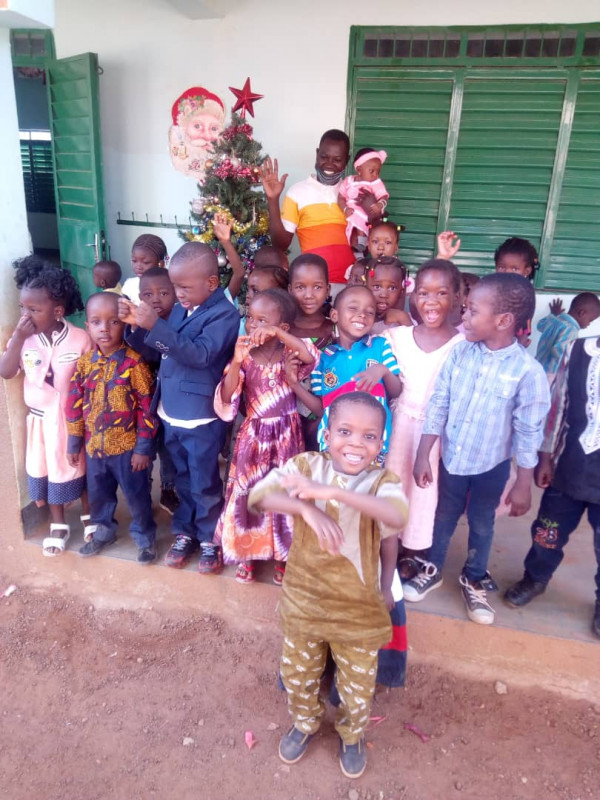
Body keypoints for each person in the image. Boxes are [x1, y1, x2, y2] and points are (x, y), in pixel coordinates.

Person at [248, 391, 408, 779]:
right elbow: (258, 496)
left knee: (358, 684)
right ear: (327, 431)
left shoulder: (381, 482)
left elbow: (396, 519)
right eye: (345, 431)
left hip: (358, 608)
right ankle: (304, 723)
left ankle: (352, 734)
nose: (356, 444)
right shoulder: (306, 466)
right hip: (305, 600)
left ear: (381, 443)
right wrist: (306, 507)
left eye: (370, 436)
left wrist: (386, 585)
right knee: (299, 676)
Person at [404, 273, 550, 625]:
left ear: (503, 321)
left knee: (483, 524)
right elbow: (439, 403)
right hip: (452, 460)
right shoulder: (459, 353)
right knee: (443, 515)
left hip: (491, 466)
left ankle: (474, 577)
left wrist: (523, 483)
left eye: (472, 311)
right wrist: (424, 452)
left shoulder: (527, 372)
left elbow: (528, 431)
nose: (463, 316)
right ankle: (432, 568)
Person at [130, 242, 240, 571]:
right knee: (181, 478)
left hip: (200, 415)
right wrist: (136, 326)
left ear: (211, 283)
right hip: (171, 410)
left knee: (204, 482)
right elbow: (161, 350)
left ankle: (209, 538)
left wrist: (156, 325)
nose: (178, 294)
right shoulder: (181, 308)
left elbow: (199, 354)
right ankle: (185, 531)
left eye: (184, 287)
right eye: (175, 286)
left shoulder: (224, 315)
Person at [213, 289, 319, 584]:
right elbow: (227, 396)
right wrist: (236, 362)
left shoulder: (289, 353)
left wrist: (280, 335)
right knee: (250, 494)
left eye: (263, 320)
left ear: (282, 327)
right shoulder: (245, 357)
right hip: (254, 438)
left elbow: (310, 355)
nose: (253, 325)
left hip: (287, 437)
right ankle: (246, 552)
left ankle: (283, 554)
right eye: (250, 317)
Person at [504, 335, 600, 638]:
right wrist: (545, 455)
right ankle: (535, 577)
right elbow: (558, 406)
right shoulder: (579, 350)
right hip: (569, 465)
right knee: (548, 531)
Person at [0, 256, 91, 557]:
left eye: (34, 310)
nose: (25, 316)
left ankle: (89, 516)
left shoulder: (79, 339)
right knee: (49, 469)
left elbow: (90, 379)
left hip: (72, 421)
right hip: (40, 423)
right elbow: (6, 371)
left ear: (58, 311)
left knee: (80, 466)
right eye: (22, 308)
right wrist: (17, 338)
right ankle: (58, 523)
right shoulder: (24, 340)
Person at [386, 259, 464, 580]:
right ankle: (387, 545)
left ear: (457, 297)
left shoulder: (463, 346)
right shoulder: (397, 337)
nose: (430, 301)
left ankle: (413, 550)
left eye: (441, 293)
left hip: (434, 434)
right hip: (398, 425)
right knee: (392, 483)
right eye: (423, 293)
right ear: (413, 296)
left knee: (424, 493)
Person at [66, 293, 157, 564]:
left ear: (124, 324)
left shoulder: (134, 363)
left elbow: (147, 408)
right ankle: (104, 533)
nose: (104, 329)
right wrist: (74, 441)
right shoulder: (84, 364)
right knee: (99, 496)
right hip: (95, 448)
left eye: (114, 322)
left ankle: (145, 539)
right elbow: (74, 404)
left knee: (137, 496)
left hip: (128, 449)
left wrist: (143, 448)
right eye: (96, 322)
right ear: (87, 326)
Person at [308, 285, 402, 454]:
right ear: (334, 315)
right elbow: (320, 408)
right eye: (353, 308)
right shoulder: (322, 359)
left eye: (370, 312)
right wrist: (294, 384)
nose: (362, 315)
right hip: (334, 446)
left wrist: (382, 370)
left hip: (372, 446)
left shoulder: (380, 346)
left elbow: (396, 392)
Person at [118, 267, 179, 515]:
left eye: (163, 293)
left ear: (176, 293)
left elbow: (163, 352)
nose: (155, 300)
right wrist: (135, 326)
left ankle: (168, 489)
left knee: (169, 449)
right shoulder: (139, 324)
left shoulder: (179, 321)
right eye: (147, 295)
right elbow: (146, 353)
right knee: (145, 449)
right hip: (146, 402)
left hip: (171, 401)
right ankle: (144, 492)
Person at [260, 130, 355, 287]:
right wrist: (273, 200)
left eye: (337, 159)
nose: (329, 164)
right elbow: (280, 245)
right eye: (324, 157)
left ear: (347, 160)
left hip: (351, 285)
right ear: (317, 154)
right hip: (313, 286)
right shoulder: (297, 192)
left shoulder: (352, 192)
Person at [535, 293, 600, 382]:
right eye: (590, 320)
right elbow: (559, 351)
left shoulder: (554, 320)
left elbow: (540, 325)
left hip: (537, 365)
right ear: (582, 313)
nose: (589, 324)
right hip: (550, 374)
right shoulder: (571, 330)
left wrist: (553, 314)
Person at [338, 148, 389, 250]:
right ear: (359, 170)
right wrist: (345, 209)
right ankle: (355, 251)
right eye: (372, 171)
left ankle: (361, 244)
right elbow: (341, 197)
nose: (375, 174)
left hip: (367, 213)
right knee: (349, 234)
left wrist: (380, 205)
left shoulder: (375, 182)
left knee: (361, 225)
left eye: (378, 171)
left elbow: (383, 196)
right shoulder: (348, 181)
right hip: (350, 213)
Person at [494, 236, 539, 347]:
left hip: (512, 344)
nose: (507, 272)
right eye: (501, 267)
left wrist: (520, 346)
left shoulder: (526, 293)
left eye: (514, 269)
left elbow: (526, 322)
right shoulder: (492, 288)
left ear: (526, 271)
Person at [366, 256, 411, 333]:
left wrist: (403, 319)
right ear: (365, 286)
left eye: (392, 288)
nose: (383, 295)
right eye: (377, 287)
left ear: (401, 290)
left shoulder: (402, 320)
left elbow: (412, 339)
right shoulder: (358, 316)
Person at [122, 234, 168, 305]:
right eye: (134, 261)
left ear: (160, 264)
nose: (138, 267)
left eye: (146, 262)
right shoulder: (130, 285)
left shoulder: (167, 286)